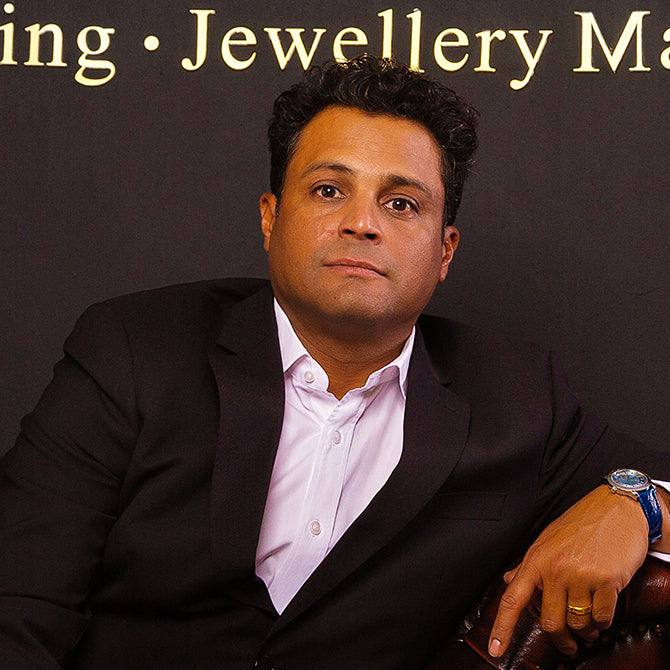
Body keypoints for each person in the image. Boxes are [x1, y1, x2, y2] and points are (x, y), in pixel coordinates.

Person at [0, 55, 668, 670]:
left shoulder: (517, 397)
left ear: (445, 251)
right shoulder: (133, 350)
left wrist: (636, 504)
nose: (361, 223)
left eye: (401, 203)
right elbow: (21, 603)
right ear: (270, 218)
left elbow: (659, 482)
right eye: (328, 190)